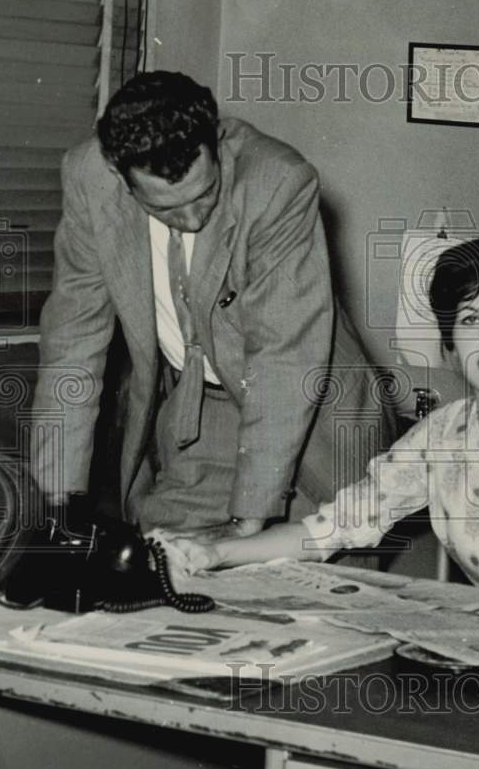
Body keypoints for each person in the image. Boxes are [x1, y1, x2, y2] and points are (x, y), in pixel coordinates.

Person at [164, 234, 479, 606]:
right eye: (471, 321)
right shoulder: (442, 435)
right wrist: (215, 553)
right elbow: (327, 530)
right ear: (450, 343)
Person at [31, 71, 396, 538]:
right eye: (165, 209)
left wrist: (247, 527)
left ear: (217, 142)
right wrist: (54, 506)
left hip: (314, 412)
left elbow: (283, 357)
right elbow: (72, 347)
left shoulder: (277, 182)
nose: (192, 219)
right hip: (203, 408)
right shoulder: (89, 179)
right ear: (119, 178)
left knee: (308, 584)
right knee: (168, 553)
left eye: (205, 193)